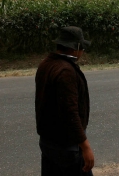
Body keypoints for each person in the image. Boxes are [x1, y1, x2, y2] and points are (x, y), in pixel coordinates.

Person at [35, 26, 95, 176]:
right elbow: (70, 114)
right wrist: (85, 147)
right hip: (66, 146)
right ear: (76, 48)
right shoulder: (66, 72)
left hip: (48, 142)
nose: (82, 53)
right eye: (82, 48)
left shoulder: (46, 64)